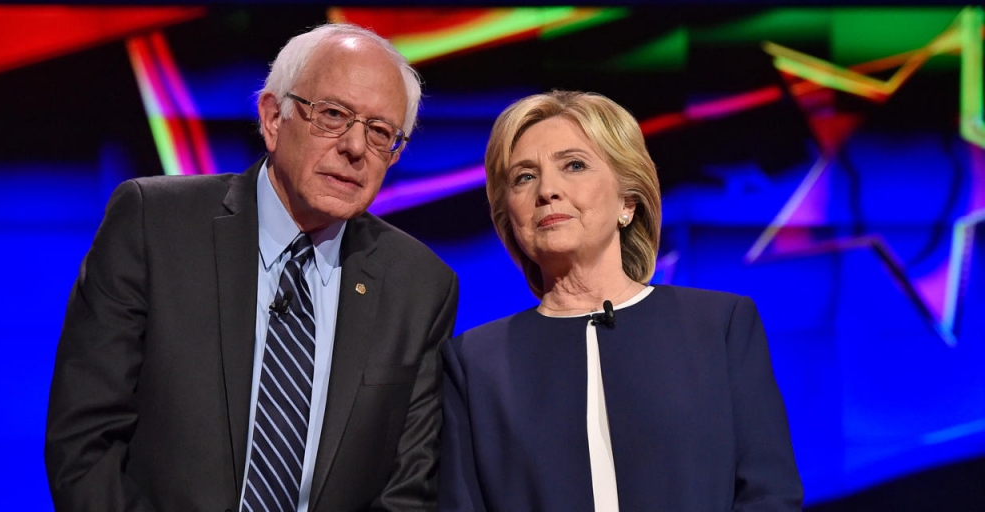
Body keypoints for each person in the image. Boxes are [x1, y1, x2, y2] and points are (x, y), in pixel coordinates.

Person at [46, 23, 459, 512]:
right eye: (332, 115)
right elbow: (85, 443)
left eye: (380, 132)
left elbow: (407, 492)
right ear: (272, 118)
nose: (354, 148)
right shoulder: (152, 225)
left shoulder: (420, 286)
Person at [438, 90, 803, 511]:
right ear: (510, 217)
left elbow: (769, 495)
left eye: (574, 165)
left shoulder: (719, 326)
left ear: (628, 201)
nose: (547, 190)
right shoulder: (474, 362)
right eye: (524, 177)